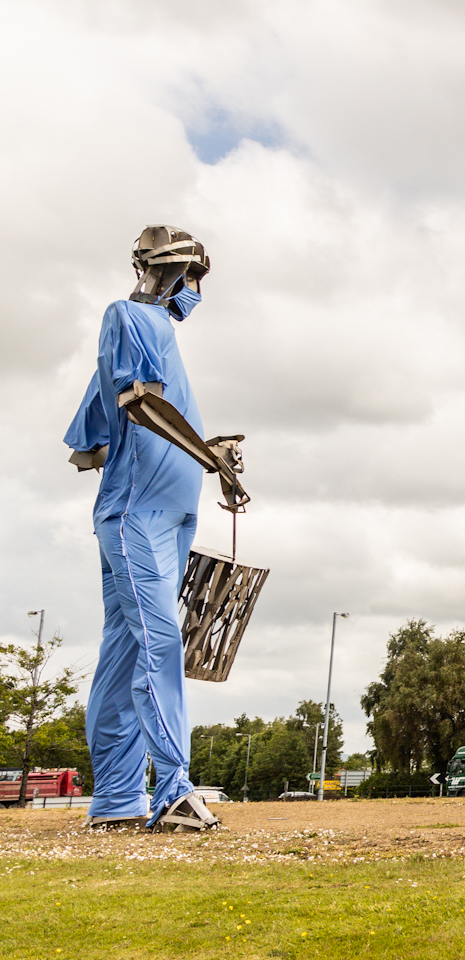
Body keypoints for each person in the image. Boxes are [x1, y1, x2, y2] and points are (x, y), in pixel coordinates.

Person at [64, 226, 226, 831]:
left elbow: (91, 446)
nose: (196, 293)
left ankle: (113, 802)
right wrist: (210, 460)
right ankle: (174, 791)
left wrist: (206, 455)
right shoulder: (129, 318)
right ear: (175, 273)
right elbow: (142, 403)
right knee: (160, 641)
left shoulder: (155, 339)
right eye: (196, 281)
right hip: (136, 517)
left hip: (165, 513)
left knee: (124, 652)